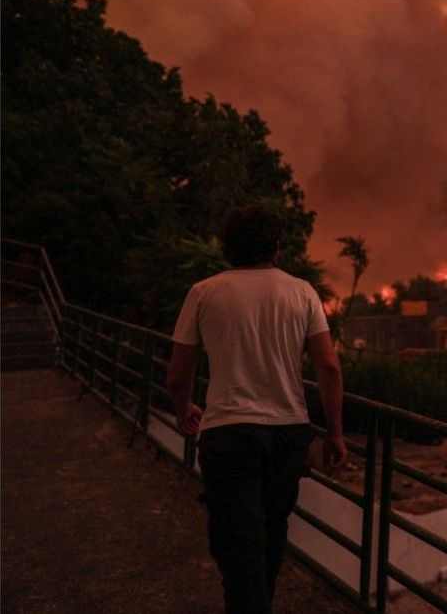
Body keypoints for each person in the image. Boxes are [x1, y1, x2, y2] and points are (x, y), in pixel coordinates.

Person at [167, 204, 348, 614]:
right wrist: (334, 433)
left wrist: (183, 409)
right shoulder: (303, 292)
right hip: (288, 434)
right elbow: (329, 367)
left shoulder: (204, 292)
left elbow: (178, 375)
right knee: (270, 532)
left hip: (228, 433)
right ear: (277, 247)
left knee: (237, 545)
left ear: (228, 248)